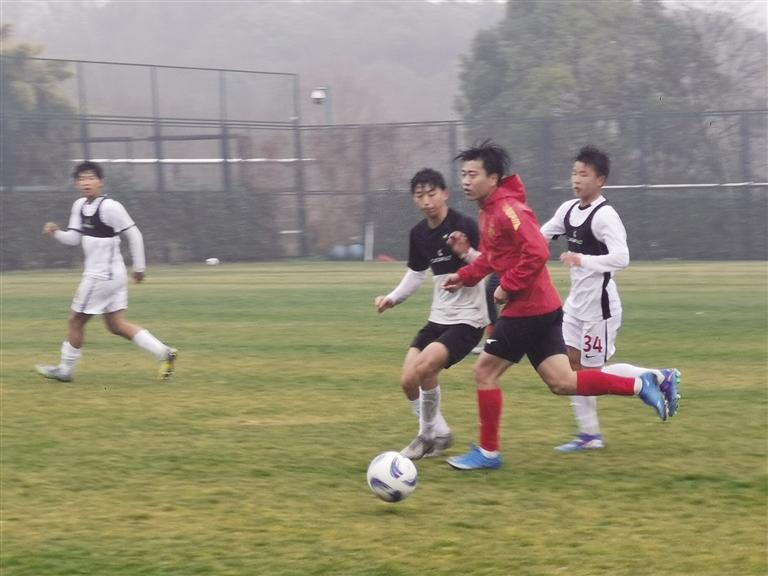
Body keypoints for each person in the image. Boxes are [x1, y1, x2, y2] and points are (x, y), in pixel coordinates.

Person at [441, 141, 680, 470]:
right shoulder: (492, 210)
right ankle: (640, 384)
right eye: (464, 175)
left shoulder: (508, 210)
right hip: (548, 307)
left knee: (484, 372)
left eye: (473, 175)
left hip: (529, 310)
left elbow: (537, 251)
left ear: (493, 178)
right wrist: (464, 276)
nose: (466, 181)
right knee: (563, 381)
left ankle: (488, 452)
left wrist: (509, 286)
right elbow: (498, 257)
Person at [539, 145, 680, 452]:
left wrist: (582, 260)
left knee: (591, 375)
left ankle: (658, 377)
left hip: (600, 310)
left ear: (600, 179)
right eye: (574, 173)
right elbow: (539, 237)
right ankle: (590, 436)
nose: (576, 179)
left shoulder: (605, 216)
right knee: (572, 369)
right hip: (575, 306)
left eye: (584, 174)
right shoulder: (568, 210)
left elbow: (622, 258)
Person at [374, 168, 488, 460]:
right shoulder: (419, 234)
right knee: (408, 380)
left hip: (468, 319)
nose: (426, 201)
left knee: (425, 367)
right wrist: (392, 298)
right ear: (414, 199)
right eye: (420, 196)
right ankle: (441, 433)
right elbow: (416, 273)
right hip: (438, 319)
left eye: (431, 194)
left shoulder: (464, 224)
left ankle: (425, 437)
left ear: (444, 193)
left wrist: (465, 253)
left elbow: (488, 264)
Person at [35, 161, 177, 382]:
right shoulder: (79, 206)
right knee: (116, 325)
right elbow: (74, 239)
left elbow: (134, 234)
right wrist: (57, 233)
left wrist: (139, 268)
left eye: (91, 178)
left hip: (101, 276)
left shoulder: (110, 207)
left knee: (75, 320)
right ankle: (164, 352)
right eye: (82, 179)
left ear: (100, 182)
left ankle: (65, 370)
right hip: (111, 276)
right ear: (76, 183)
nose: (86, 182)